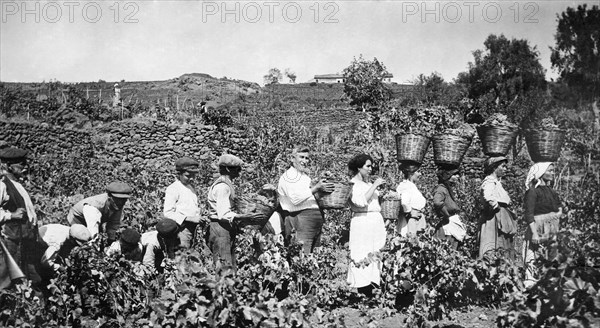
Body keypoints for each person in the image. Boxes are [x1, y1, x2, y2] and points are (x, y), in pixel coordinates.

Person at [206, 154, 261, 270]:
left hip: (224, 227)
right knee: (224, 266)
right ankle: (222, 287)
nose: (239, 173)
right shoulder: (222, 187)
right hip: (220, 228)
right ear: (227, 169)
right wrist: (244, 216)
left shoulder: (227, 184)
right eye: (237, 169)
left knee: (229, 263)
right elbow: (223, 214)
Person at [277, 146, 334, 253]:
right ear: (292, 158)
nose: (304, 161)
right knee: (302, 255)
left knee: (315, 257)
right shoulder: (288, 176)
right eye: (301, 157)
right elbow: (295, 199)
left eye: (306, 158)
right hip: (300, 219)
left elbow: (310, 196)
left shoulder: (305, 177)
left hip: (314, 220)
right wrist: (316, 187)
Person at [346, 154, 386, 295]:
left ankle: (374, 287)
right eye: (367, 166)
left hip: (375, 221)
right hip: (363, 222)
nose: (371, 169)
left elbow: (374, 202)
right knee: (362, 253)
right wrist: (375, 185)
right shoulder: (353, 184)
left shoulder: (367, 184)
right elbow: (360, 202)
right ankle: (363, 289)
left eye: (371, 166)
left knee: (376, 253)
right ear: (359, 167)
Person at [0, 147, 40, 284]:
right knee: (8, 281)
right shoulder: (2, 185)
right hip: (10, 241)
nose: (25, 167)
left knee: (30, 279)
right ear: (7, 166)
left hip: (24, 240)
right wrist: (10, 215)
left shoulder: (17, 185)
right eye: (21, 164)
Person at [522, 162, 563, 288]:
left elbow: (559, 207)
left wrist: (554, 217)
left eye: (552, 171)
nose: (552, 173)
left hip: (552, 228)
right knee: (534, 254)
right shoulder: (532, 192)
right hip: (538, 228)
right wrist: (534, 233)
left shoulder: (552, 191)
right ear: (540, 173)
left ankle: (548, 283)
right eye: (549, 171)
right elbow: (529, 214)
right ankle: (532, 286)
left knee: (550, 255)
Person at [67, 181, 132, 245]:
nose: (121, 202)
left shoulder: (118, 205)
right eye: (118, 199)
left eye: (124, 200)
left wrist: (111, 242)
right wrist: (95, 247)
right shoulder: (94, 207)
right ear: (109, 197)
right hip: (77, 220)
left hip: (96, 221)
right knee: (83, 240)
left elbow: (114, 225)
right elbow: (93, 230)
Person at [478, 157, 517, 260]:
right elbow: (487, 196)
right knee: (493, 243)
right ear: (494, 167)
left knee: (503, 243)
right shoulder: (489, 181)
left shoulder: (496, 182)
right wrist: (497, 207)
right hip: (494, 217)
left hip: (500, 216)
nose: (505, 169)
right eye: (503, 166)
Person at [163, 157, 205, 249]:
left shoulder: (191, 188)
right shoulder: (173, 188)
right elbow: (168, 213)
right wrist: (188, 218)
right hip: (181, 230)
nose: (191, 178)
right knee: (183, 256)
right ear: (179, 174)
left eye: (193, 175)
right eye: (188, 175)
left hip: (193, 230)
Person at [432, 166, 466, 250]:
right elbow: (437, 202)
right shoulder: (441, 189)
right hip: (448, 224)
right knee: (449, 250)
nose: (458, 176)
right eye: (455, 174)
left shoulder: (447, 189)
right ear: (447, 176)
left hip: (451, 222)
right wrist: (446, 214)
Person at [395, 162, 427, 237]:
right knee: (411, 239)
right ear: (411, 173)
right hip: (411, 220)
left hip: (416, 219)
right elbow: (404, 202)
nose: (419, 174)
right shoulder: (406, 186)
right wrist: (410, 213)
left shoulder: (411, 186)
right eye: (418, 172)